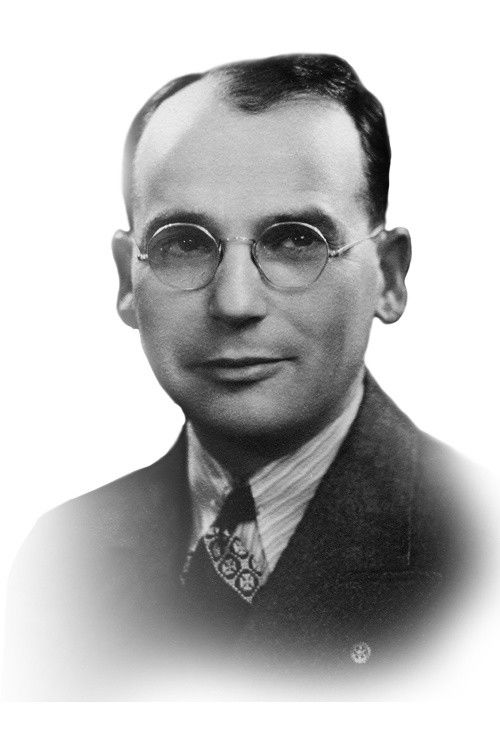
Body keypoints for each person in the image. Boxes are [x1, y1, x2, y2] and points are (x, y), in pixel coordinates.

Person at [3, 53, 476, 700]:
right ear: (126, 280)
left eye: (295, 240)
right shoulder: (63, 558)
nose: (234, 302)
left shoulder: (476, 551)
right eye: (184, 243)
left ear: (388, 278)